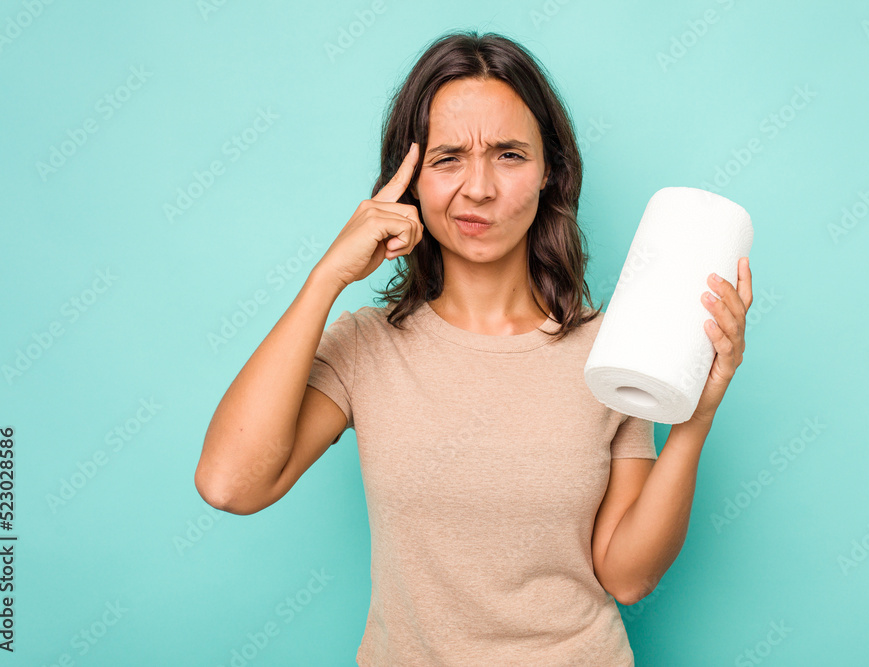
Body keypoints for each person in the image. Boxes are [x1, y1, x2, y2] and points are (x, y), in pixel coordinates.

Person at [195, 30, 752, 666]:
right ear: (409, 179)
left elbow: (627, 577)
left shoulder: (610, 348)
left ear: (550, 171)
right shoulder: (366, 346)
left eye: (509, 155)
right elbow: (229, 484)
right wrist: (327, 278)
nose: (479, 188)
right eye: (448, 158)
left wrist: (696, 416)